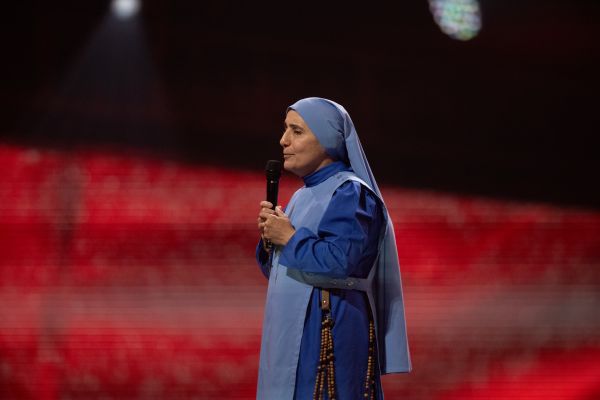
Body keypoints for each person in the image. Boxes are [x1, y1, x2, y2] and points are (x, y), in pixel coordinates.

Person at [256, 97, 410, 399]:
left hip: (328, 325)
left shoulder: (350, 192)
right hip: (290, 331)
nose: (283, 140)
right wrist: (270, 242)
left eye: (296, 131)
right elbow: (287, 271)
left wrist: (288, 238)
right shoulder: (302, 196)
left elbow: (342, 261)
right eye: (285, 129)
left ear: (328, 139)